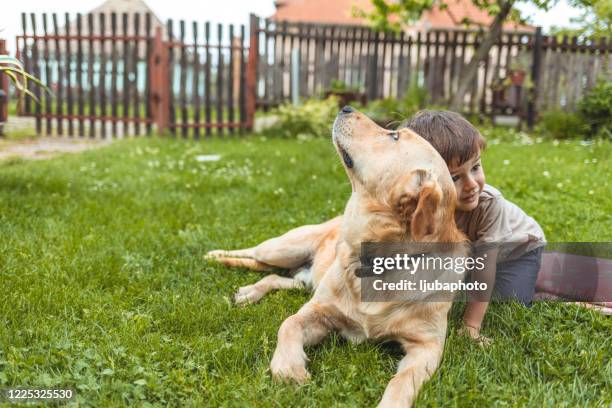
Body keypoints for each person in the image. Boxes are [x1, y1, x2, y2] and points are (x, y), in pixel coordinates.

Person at [403, 110, 546, 344]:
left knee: (509, 299)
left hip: (518, 252)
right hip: (472, 255)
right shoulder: (422, 206)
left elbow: (485, 267)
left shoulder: (490, 205)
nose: (471, 185)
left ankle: (540, 278)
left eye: (475, 167)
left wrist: (471, 326)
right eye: (455, 178)